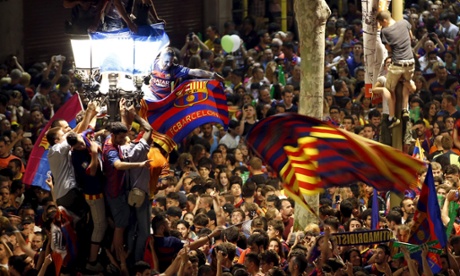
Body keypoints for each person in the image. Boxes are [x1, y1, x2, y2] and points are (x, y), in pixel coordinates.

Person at [377, 10, 416, 124]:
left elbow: (389, 48)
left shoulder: (385, 31)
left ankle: (392, 117)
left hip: (398, 63)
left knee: (388, 89)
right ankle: (404, 109)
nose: (380, 26)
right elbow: (411, 38)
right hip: (410, 62)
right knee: (406, 82)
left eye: (380, 23)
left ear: (384, 21)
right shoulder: (404, 22)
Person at [145, 47, 225, 101]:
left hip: (165, 101)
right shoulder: (152, 64)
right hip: (152, 97)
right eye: (166, 61)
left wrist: (213, 75)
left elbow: (195, 72)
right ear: (160, 58)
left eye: (171, 61)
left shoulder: (175, 68)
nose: (169, 64)